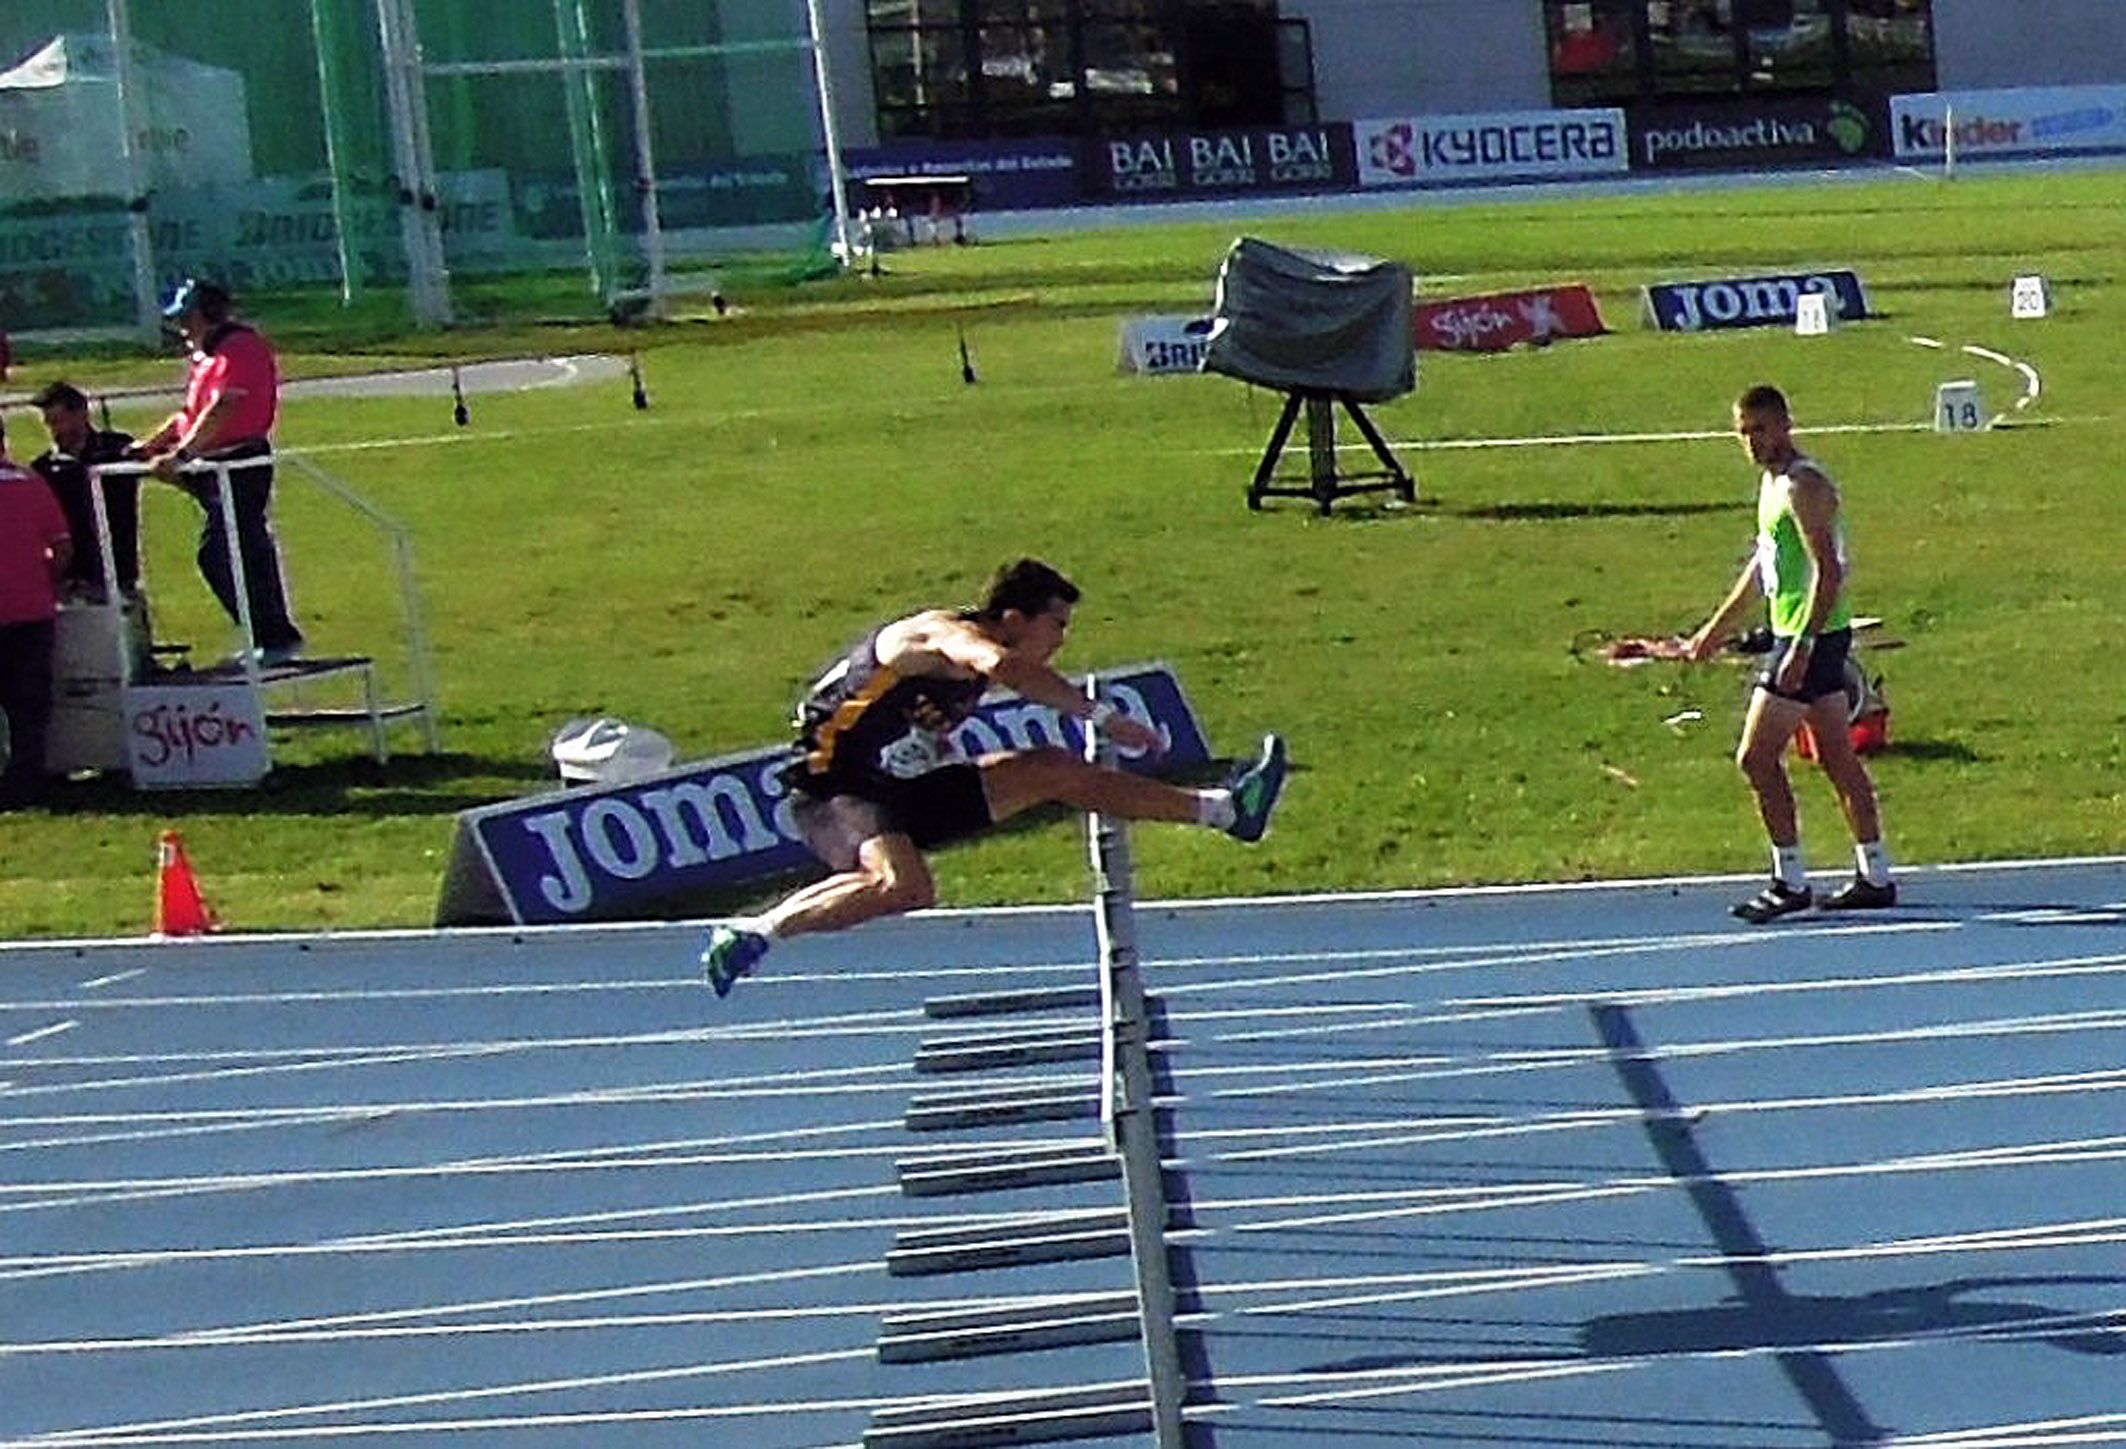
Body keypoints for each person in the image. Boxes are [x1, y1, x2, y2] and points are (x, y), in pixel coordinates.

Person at [700, 558, 1290, 995]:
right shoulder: (943, 635)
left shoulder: (968, 664)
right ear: (1013, 617)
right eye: (1055, 626)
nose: (1061, 641)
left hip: (889, 784)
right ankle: (756, 932)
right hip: (831, 785)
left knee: (1049, 771)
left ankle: (1225, 811)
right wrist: (1103, 716)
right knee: (905, 887)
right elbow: (1002, 666)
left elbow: (922, 719)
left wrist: (926, 746)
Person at [1686, 384, 1896, 923]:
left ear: (1784, 425)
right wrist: (1712, 631)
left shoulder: (1804, 486)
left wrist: (1802, 643)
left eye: (1760, 429)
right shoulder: (1772, 485)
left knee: (1756, 758)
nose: (1752, 442)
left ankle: (1790, 880)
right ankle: (1874, 874)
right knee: (1835, 757)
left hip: (1812, 638)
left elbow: (1829, 571)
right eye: (1743, 433)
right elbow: (1765, 569)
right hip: (1795, 634)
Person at [135, 278, 304, 666]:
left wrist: (181, 455)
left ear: (207, 315)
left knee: (222, 552)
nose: (182, 328)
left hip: (239, 461)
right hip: (212, 463)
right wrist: (151, 444)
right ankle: (268, 635)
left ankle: (273, 636)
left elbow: (224, 407)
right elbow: (189, 415)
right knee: (241, 549)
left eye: (187, 318)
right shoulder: (206, 358)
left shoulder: (239, 348)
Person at [0, 412, 73, 806]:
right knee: (29, 705)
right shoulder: (31, 482)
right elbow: (62, 546)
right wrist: (44, 577)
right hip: (31, 608)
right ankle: (27, 782)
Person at [30, 381, 139, 600]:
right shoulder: (44, 468)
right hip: (72, 578)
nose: (55, 431)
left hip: (119, 568)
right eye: (49, 423)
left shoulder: (116, 450)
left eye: (59, 421)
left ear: (82, 413)